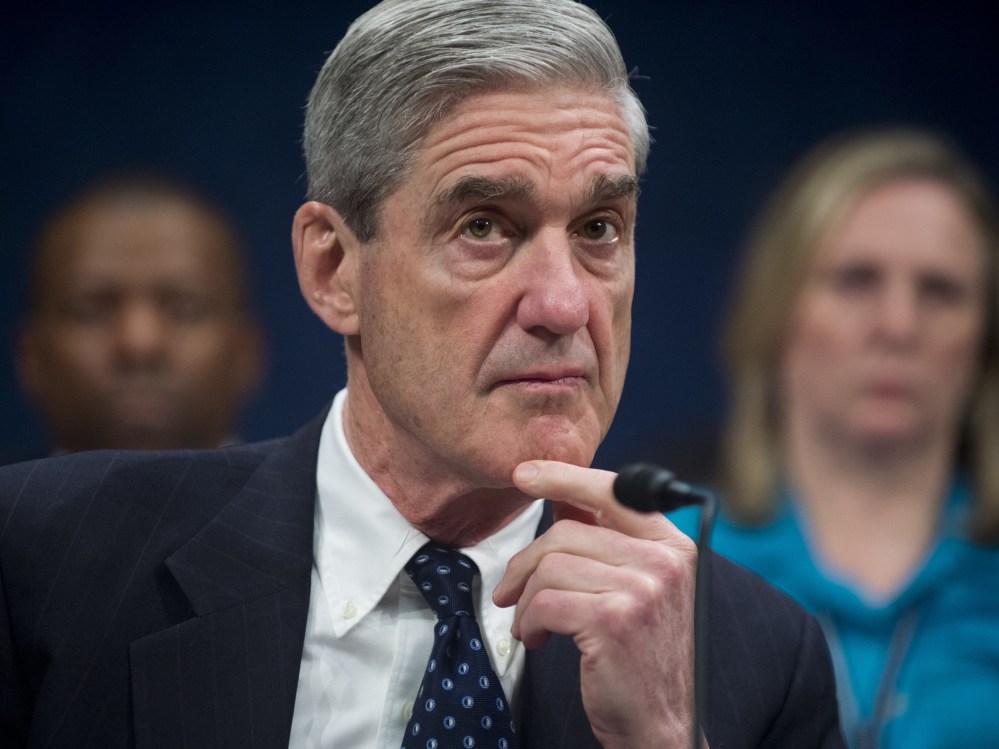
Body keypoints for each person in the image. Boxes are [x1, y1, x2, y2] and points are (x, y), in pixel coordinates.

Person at [0, 2, 845, 747]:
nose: (562, 303)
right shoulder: (44, 559)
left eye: (597, 227)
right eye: (484, 224)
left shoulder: (757, 659)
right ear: (333, 268)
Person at [672, 127, 999, 749]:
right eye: (856, 280)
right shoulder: (666, 562)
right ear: (777, 312)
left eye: (941, 291)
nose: (899, 326)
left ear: (985, 342)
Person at [15, 171, 265, 454]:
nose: (139, 343)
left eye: (185, 308)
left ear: (247, 352)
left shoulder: (312, 498)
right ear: (32, 356)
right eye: (91, 310)